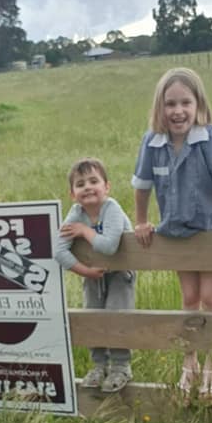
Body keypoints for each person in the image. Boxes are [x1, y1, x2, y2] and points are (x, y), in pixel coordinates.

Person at [131, 67, 212, 405]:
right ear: (160, 107)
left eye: (186, 102)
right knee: (188, 297)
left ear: (198, 104)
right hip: (175, 231)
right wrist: (141, 221)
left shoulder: (208, 137)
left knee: (211, 296)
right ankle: (190, 361)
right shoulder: (152, 143)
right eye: (170, 103)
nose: (178, 111)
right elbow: (142, 187)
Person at [54, 158, 135, 393]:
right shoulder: (76, 213)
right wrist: (86, 271)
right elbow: (58, 251)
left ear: (106, 187)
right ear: (72, 194)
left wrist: (85, 231)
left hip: (120, 272)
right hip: (92, 275)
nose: (87, 187)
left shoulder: (112, 209)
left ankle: (121, 366)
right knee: (93, 315)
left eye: (93, 181)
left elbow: (110, 246)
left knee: (116, 316)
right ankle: (99, 365)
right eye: (80, 184)